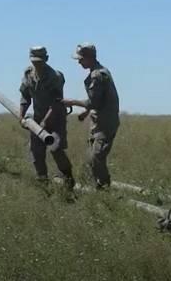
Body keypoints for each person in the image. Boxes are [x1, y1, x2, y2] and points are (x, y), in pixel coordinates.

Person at [61, 43, 120, 190]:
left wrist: (72, 102)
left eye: (81, 59)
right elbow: (99, 100)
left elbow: (94, 101)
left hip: (105, 123)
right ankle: (97, 186)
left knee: (96, 158)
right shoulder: (98, 72)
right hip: (98, 122)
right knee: (91, 158)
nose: (79, 62)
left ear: (89, 58)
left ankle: (105, 188)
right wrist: (86, 112)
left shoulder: (97, 75)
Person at [19, 46, 75, 187]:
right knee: (36, 151)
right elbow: (25, 97)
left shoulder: (55, 77)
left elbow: (57, 102)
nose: (37, 64)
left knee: (55, 147)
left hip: (56, 117)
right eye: (34, 61)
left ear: (46, 59)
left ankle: (67, 177)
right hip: (38, 117)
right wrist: (21, 116)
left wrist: (45, 122)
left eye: (40, 61)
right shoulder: (28, 74)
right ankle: (42, 181)